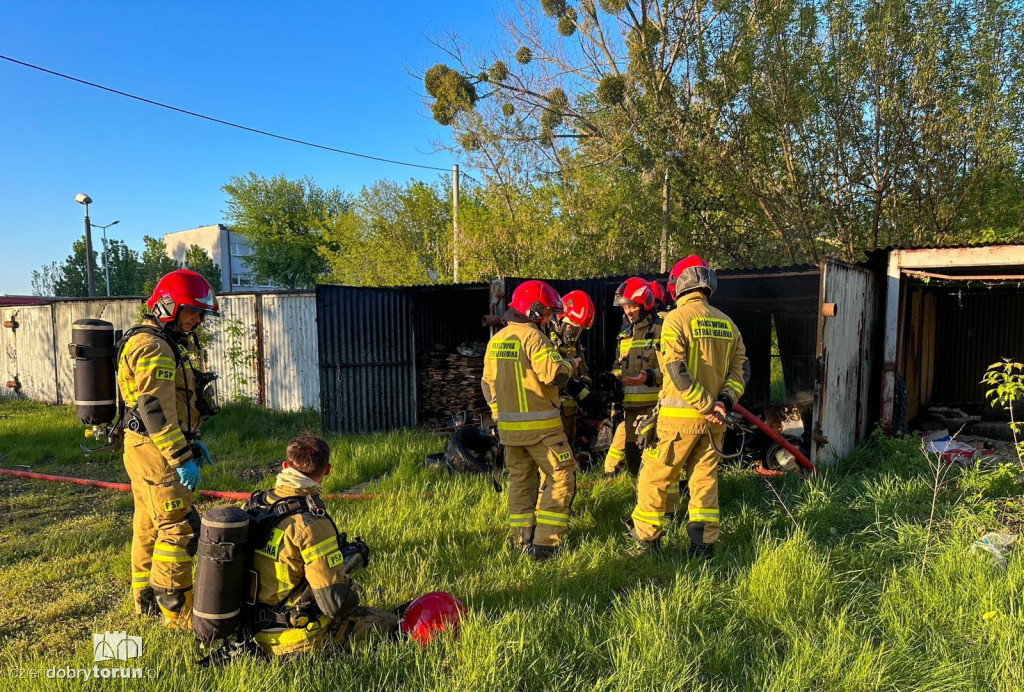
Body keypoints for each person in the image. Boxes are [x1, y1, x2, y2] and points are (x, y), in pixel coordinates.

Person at [626, 256, 749, 558]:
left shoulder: (675, 320)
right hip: (715, 422)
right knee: (704, 481)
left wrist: (706, 404)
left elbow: (676, 371)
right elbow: (741, 371)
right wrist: (724, 402)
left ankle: (647, 543)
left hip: (677, 422)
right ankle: (703, 548)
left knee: (655, 477)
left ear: (678, 285)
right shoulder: (727, 323)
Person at [118, 269, 219, 625]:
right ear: (168, 305)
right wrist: (181, 456)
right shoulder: (154, 347)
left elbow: (170, 404)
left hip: (146, 447)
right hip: (157, 452)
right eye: (192, 310)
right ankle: (176, 616)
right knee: (177, 529)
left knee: (149, 524)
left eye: (201, 313)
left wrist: (192, 440)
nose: (197, 319)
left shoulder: (157, 341)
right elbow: (155, 410)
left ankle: (143, 599)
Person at [247, 434, 400, 656]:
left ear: (285, 466)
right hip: (293, 639)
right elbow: (333, 604)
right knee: (391, 622)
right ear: (327, 470)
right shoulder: (312, 523)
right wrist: (348, 583)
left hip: (250, 630)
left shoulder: (257, 504)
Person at [481, 280, 580, 560]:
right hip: (543, 431)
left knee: (521, 482)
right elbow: (554, 375)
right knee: (561, 478)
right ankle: (547, 545)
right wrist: (570, 366)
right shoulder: (534, 337)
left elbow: (487, 385)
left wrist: (500, 415)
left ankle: (521, 542)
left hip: (510, 432)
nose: (549, 318)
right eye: (547, 312)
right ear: (534, 310)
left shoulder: (497, 341)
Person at [603, 278, 664, 478]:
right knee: (632, 460)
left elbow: (674, 369)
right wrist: (613, 378)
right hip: (630, 409)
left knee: (655, 462)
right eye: (625, 307)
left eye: (632, 306)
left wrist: (650, 377)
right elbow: (618, 366)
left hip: (655, 409)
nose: (627, 312)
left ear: (645, 304)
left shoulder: (662, 330)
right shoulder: (624, 335)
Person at [548, 289, 596, 447]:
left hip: (569, 413)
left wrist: (586, 387)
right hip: (550, 410)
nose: (573, 335)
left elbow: (583, 370)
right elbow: (548, 375)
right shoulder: (546, 340)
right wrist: (574, 388)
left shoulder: (575, 346)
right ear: (560, 319)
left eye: (578, 330)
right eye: (572, 328)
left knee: (567, 448)